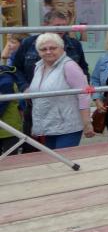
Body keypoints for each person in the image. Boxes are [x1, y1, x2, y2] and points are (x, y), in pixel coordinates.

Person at [13, 10, 89, 150]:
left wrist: (85, 118)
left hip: (64, 112)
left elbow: (83, 73)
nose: (61, 29)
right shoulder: (30, 45)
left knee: (61, 155)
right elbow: (15, 68)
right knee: (33, 151)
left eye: (64, 26)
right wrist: (24, 87)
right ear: (45, 25)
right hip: (35, 107)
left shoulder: (73, 45)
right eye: (57, 26)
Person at [29, 33, 94, 149]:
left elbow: (83, 94)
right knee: (51, 159)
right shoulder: (38, 67)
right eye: (43, 49)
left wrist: (87, 123)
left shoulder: (69, 66)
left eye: (53, 48)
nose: (48, 52)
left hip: (67, 127)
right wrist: (37, 124)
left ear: (62, 48)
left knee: (63, 159)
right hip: (47, 127)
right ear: (38, 52)